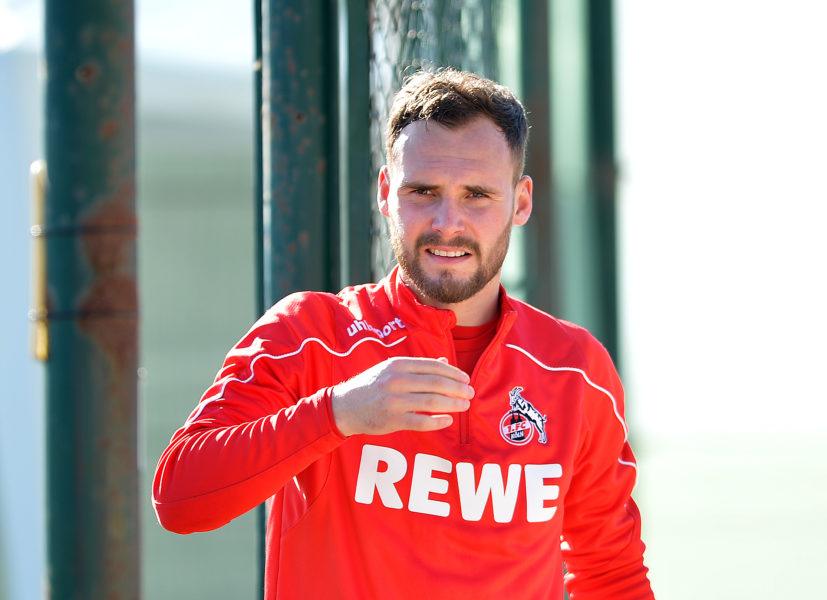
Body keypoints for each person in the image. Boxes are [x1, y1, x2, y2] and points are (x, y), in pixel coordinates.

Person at [153, 68, 654, 599]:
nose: (447, 222)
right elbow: (180, 498)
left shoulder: (575, 368)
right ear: (386, 192)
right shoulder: (312, 334)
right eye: (423, 191)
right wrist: (338, 413)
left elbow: (611, 574)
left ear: (521, 201)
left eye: (477, 195)